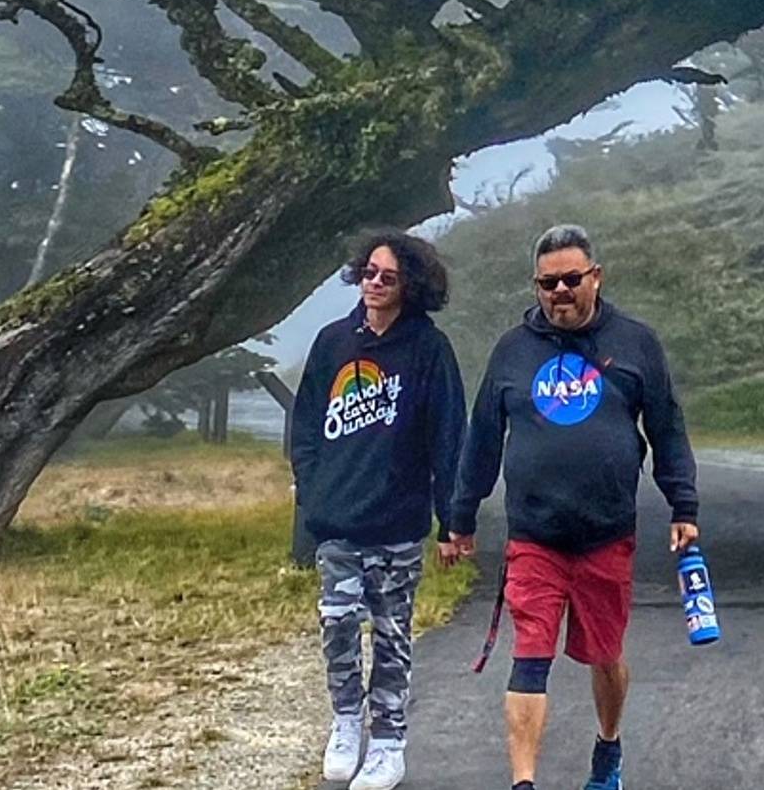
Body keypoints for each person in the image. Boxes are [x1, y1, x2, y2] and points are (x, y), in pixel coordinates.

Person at [445, 224, 699, 790]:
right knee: (530, 656)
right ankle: (524, 782)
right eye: (547, 283)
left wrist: (683, 504)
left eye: (570, 279)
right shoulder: (513, 350)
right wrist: (460, 519)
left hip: (606, 535)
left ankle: (608, 749)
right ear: (536, 287)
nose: (560, 291)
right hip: (534, 537)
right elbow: (482, 438)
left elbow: (667, 428)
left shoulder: (635, 344)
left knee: (604, 655)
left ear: (595, 277)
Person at [288, 231, 469, 790]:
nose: (373, 283)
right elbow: (307, 427)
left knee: (391, 634)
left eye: (386, 276)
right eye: (367, 272)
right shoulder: (332, 342)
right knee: (338, 624)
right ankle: (346, 721)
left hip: (397, 523)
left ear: (410, 285)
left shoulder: (429, 350)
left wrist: (452, 521)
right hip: (338, 521)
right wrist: (314, 491)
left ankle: (388, 742)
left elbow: (448, 440)